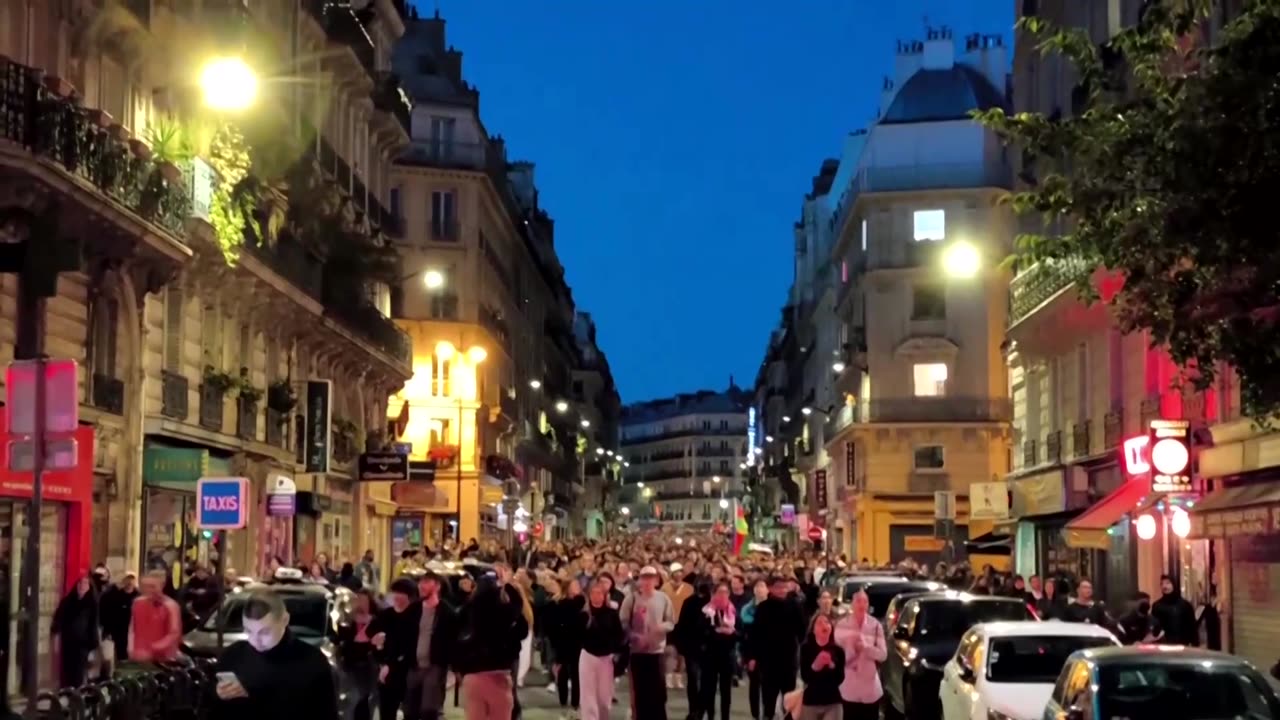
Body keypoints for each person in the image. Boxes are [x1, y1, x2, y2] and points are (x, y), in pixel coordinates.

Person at [212, 591, 337, 720]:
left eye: (264, 632)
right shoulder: (233, 656)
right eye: (248, 631)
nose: (255, 640)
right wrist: (218, 695)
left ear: (284, 620)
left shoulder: (312, 661)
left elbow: (327, 714)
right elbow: (212, 711)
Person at [453, 575, 528, 720]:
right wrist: (509, 586)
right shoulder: (503, 611)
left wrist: (458, 667)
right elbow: (520, 616)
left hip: (472, 674)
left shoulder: (467, 610)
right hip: (498, 673)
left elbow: (455, 638)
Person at [744, 576, 806, 720]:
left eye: (785, 587)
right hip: (768, 660)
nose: (782, 590)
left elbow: (802, 630)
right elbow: (755, 635)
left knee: (789, 697)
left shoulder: (794, 605)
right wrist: (752, 656)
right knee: (768, 697)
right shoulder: (763, 608)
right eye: (778, 587)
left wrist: (798, 647)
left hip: (788, 658)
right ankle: (768, 715)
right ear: (770, 588)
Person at [620, 565, 676, 720]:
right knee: (640, 692)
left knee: (658, 692)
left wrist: (660, 627)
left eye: (651, 578)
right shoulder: (631, 599)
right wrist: (633, 635)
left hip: (657, 651)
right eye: (644, 578)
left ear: (656, 580)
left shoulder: (663, 598)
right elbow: (623, 622)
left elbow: (671, 621)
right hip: (637, 652)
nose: (647, 581)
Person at [404, 571, 457, 720]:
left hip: (435, 667)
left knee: (429, 711)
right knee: (410, 711)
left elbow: (452, 642)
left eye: (427, 582)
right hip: (414, 666)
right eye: (421, 582)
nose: (421, 586)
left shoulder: (447, 613)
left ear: (437, 586)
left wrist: (454, 667)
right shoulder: (413, 610)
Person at [832, 590, 885, 720]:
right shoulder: (842, 625)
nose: (862, 604)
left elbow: (883, 655)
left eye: (865, 601)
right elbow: (837, 658)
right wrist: (852, 649)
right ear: (852, 605)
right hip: (849, 688)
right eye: (858, 601)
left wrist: (866, 648)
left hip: (870, 689)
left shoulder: (875, 625)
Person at [372, 578, 420, 720]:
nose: (396, 596)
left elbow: (412, 645)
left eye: (401, 593)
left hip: (408, 671)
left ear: (410, 596)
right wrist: (379, 651)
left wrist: (391, 664)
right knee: (387, 711)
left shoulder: (416, 616)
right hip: (386, 671)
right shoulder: (385, 615)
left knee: (411, 712)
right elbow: (373, 639)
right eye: (394, 592)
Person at [579, 580, 626, 720]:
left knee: (604, 696)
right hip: (588, 656)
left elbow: (619, 635)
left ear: (605, 596)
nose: (596, 596)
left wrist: (614, 651)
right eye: (593, 593)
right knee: (588, 694)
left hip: (606, 658)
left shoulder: (611, 614)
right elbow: (577, 635)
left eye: (599, 593)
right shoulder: (584, 614)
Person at [336, 589, 378, 720]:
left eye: (364, 601)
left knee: (367, 697)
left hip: (370, 664)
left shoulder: (376, 620)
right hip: (351, 664)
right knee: (355, 695)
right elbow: (343, 640)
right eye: (357, 600)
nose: (360, 604)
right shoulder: (347, 620)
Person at [698, 582, 738, 720]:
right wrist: (716, 632)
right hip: (709, 655)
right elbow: (701, 632)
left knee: (726, 690)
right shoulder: (706, 611)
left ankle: (725, 717)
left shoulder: (732, 610)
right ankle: (710, 715)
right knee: (709, 689)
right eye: (719, 592)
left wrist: (730, 632)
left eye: (725, 592)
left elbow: (740, 632)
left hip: (727, 656)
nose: (722, 595)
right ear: (713, 594)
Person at [51, 575, 99, 687]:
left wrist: (93, 643)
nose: (82, 586)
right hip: (68, 642)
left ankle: (76, 694)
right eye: (80, 583)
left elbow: (94, 623)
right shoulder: (67, 601)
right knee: (68, 669)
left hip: (83, 644)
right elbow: (59, 617)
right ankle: (67, 691)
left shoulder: (92, 603)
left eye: (85, 584)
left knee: (79, 671)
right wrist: (55, 629)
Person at [674, 579, 710, 719]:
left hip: (708, 647)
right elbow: (682, 625)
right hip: (692, 646)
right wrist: (682, 646)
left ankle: (701, 709)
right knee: (693, 679)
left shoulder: (712, 602)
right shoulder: (689, 602)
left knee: (705, 680)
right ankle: (694, 709)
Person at [129, 570, 183, 663]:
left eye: (152, 587)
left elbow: (174, 633)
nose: (148, 590)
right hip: (139, 656)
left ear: (162, 586)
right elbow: (133, 627)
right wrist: (131, 648)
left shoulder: (170, 605)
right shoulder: (138, 603)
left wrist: (154, 647)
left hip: (163, 658)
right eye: (145, 586)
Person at [798, 615, 845, 720]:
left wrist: (831, 665)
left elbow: (840, 678)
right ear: (813, 630)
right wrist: (816, 665)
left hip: (833, 701)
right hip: (811, 701)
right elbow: (805, 677)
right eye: (819, 623)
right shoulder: (806, 649)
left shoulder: (838, 650)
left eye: (827, 622)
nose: (824, 625)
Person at [550, 579, 586, 716]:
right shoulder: (561, 603)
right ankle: (564, 699)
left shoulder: (580, 602)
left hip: (576, 642)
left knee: (576, 673)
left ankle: (575, 701)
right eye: (575, 585)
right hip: (563, 640)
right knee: (563, 671)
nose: (578, 587)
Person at [98, 572, 139, 672]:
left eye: (132, 579)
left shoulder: (138, 597)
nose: (130, 582)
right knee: (116, 660)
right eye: (127, 579)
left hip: (133, 635)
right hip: (117, 634)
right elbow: (104, 607)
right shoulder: (115, 595)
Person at [739, 580, 768, 720]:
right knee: (755, 685)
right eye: (757, 586)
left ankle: (768, 713)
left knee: (769, 686)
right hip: (752, 652)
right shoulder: (747, 609)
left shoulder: (773, 608)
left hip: (770, 653)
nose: (760, 589)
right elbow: (745, 635)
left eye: (763, 586)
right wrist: (747, 656)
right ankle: (755, 714)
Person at [663, 566, 695, 690]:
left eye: (680, 572)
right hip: (670, 622)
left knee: (682, 653)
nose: (678, 574)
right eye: (675, 572)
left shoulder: (689, 588)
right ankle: (669, 677)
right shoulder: (665, 588)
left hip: (685, 624)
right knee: (670, 651)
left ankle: (678, 676)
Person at [1151, 574, 1197, 646]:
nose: (1164, 586)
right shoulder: (1157, 606)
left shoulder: (1185, 605)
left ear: (1174, 584)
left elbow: (1192, 628)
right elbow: (1154, 628)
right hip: (1163, 647)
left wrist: (1195, 645)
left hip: (1182, 646)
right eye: (1162, 583)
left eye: (1168, 583)